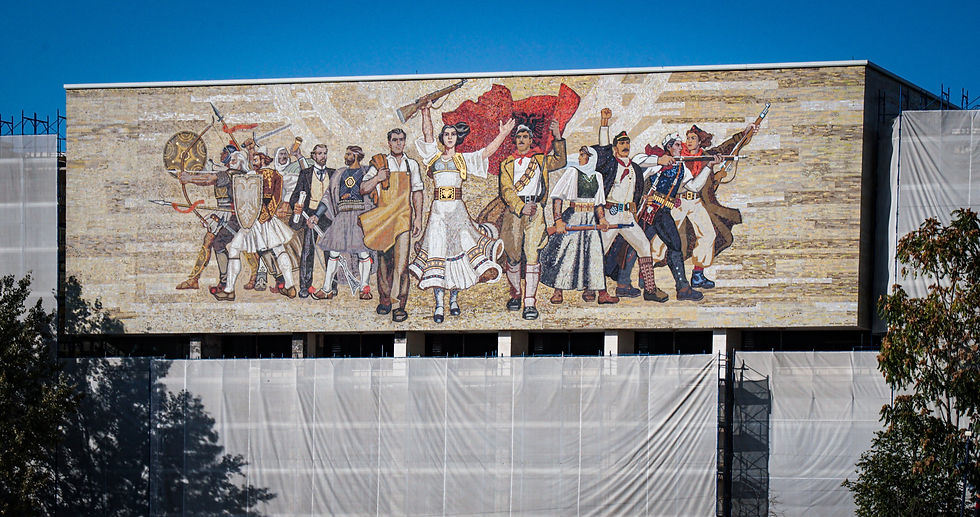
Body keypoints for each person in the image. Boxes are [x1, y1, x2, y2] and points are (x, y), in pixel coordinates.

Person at [408, 101, 513, 323]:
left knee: (460, 254)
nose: (449, 137)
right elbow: (427, 133)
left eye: (452, 134)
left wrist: (502, 134)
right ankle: (439, 304)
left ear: (457, 139)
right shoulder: (433, 158)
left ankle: (453, 299)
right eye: (445, 133)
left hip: (457, 211)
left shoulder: (462, 160)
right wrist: (425, 110)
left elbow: (486, 153)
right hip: (437, 212)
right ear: (442, 138)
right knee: (438, 253)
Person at [591, 108, 666, 302]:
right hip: (610, 213)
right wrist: (604, 123)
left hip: (627, 217)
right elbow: (603, 146)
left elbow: (637, 190)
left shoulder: (635, 168)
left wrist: (641, 202)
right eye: (621, 143)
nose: (625, 146)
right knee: (599, 251)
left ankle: (650, 290)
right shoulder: (610, 163)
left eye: (627, 143)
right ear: (616, 147)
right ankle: (594, 289)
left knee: (643, 246)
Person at [498, 121, 566, 320]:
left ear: (530, 139)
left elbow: (560, 160)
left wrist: (557, 135)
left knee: (532, 255)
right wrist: (520, 206)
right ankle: (516, 294)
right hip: (515, 212)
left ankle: (529, 302)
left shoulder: (540, 159)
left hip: (536, 211)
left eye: (525, 137)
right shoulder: (507, 163)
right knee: (513, 256)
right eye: (518, 137)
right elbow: (506, 190)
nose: (521, 140)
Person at [359, 129, 423, 322]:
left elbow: (417, 193)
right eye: (394, 140)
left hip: (403, 219)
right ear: (389, 143)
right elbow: (363, 188)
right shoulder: (379, 163)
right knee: (384, 263)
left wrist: (418, 218)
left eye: (401, 140)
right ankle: (385, 299)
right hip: (384, 219)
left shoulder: (411, 165)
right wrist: (378, 177)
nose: (398, 143)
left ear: (404, 142)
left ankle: (399, 304)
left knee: (401, 265)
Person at [214, 151, 297, 300]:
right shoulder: (275, 175)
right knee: (279, 250)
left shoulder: (251, 176)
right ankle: (290, 287)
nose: (253, 161)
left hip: (253, 220)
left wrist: (260, 215)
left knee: (234, 249)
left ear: (263, 160)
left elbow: (261, 198)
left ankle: (229, 290)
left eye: (256, 159)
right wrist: (268, 214)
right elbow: (276, 198)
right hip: (266, 219)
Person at [539, 146, 618, 304]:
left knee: (594, 254)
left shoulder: (598, 176)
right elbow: (558, 196)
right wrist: (558, 220)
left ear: (591, 158)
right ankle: (558, 291)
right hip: (574, 217)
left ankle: (600, 293)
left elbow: (599, 203)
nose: (580, 157)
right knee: (567, 253)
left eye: (583, 155)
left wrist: (602, 219)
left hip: (591, 220)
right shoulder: (572, 173)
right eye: (581, 154)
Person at [176, 145, 247, 292]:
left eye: (226, 153)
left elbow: (209, 179)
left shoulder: (232, 174)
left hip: (231, 214)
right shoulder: (227, 172)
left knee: (218, 243)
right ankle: (196, 279)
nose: (222, 154)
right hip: (223, 213)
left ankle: (222, 281)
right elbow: (208, 174)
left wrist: (189, 178)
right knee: (210, 242)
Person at [306, 146, 374, 300]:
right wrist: (316, 215)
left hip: (360, 217)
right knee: (333, 253)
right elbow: (328, 196)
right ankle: (327, 289)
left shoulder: (366, 172)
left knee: (364, 253)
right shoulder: (339, 173)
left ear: (356, 156)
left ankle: (365, 288)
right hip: (342, 216)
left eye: (349, 154)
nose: (346, 156)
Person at [288, 144, 334, 297]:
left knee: (331, 252)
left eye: (325, 153)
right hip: (310, 216)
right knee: (308, 251)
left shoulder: (333, 173)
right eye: (320, 153)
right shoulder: (305, 173)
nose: (323, 156)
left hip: (328, 216)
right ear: (313, 156)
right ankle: (305, 287)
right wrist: (298, 206)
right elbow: (294, 197)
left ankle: (331, 286)